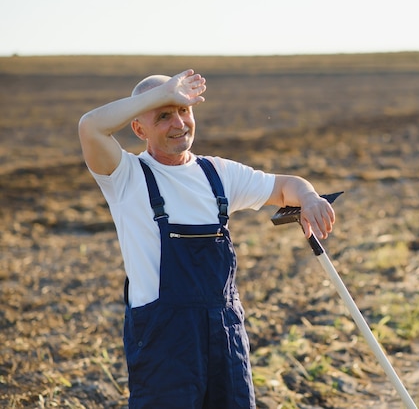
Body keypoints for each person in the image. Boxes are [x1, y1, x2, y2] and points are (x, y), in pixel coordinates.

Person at [78, 69, 336, 409]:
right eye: (164, 115)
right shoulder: (125, 176)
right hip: (164, 343)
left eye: (184, 110)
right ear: (139, 129)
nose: (179, 123)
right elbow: (90, 126)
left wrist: (310, 198)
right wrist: (163, 92)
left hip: (225, 334)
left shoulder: (218, 174)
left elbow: (285, 186)